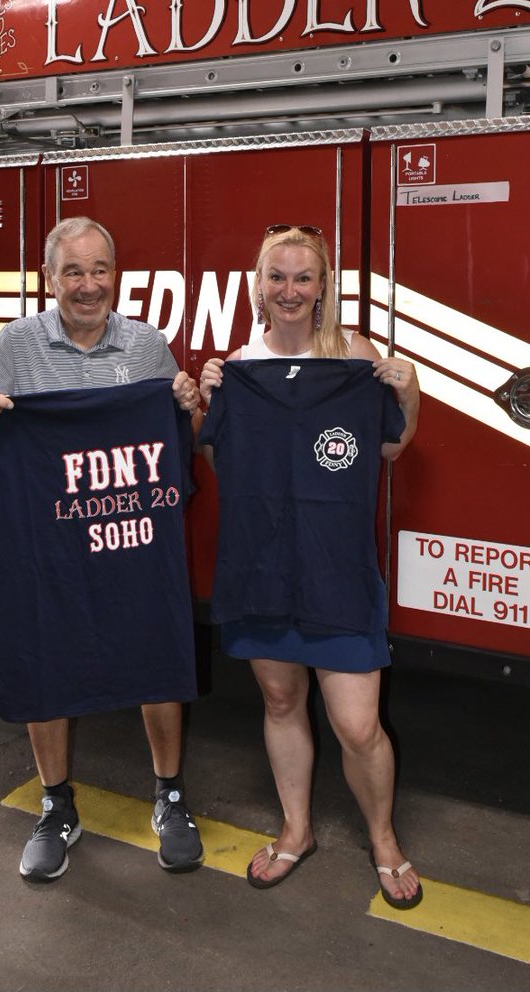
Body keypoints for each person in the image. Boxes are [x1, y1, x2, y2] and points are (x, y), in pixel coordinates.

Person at [0, 216, 204, 883]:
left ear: (115, 274)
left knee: (156, 650)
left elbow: (183, 439)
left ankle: (170, 797)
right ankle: (56, 806)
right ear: (49, 279)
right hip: (47, 549)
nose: (88, 286)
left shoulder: (148, 348)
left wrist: (187, 404)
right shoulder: (16, 344)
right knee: (44, 658)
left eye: (99, 270)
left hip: (130, 539)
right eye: (73, 272)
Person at [198, 224, 423, 908]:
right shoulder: (238, 364)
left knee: (358, 725)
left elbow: (390, 447)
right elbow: (218, 461)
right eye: (277, 277)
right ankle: (297, 830)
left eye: (303, 278)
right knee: (279, 699)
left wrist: (408, 391)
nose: (289, 290)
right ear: (257, 285)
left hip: (336, 568)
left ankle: (382, 839)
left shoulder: (353, 356)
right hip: (263, 566)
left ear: (324, 286)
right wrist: (205, 402)